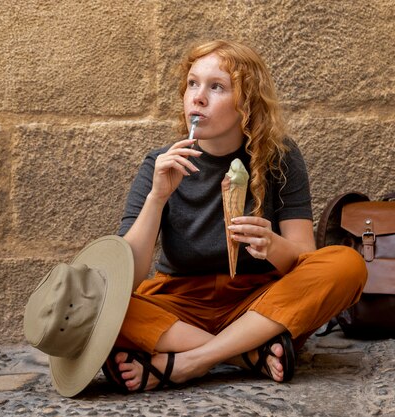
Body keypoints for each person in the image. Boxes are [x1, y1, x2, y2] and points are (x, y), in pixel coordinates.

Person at [104, 39, 367, 392]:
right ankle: (245, 354)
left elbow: (304, 259)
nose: (197, 98)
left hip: (257, 303)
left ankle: (190, 361)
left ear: (247, 102)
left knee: (346, 264)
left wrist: (272, 245)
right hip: (180, 302)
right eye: (192, 84)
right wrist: (157, 197)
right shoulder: (159, 164)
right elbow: (128, 280)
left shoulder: (280, 158)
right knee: (96, 303)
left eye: (217, 87)